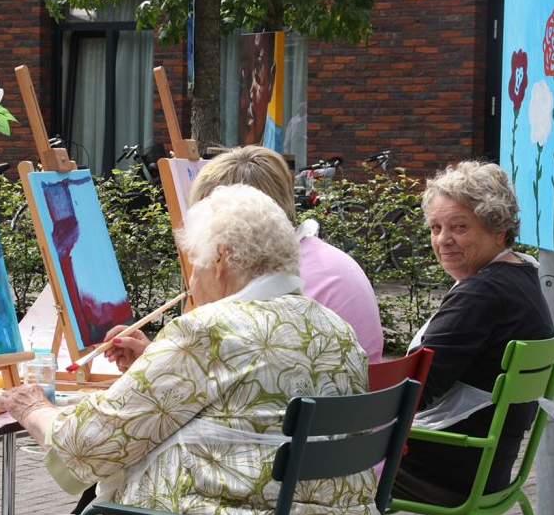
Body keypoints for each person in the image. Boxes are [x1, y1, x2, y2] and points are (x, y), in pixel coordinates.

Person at [0, 184, 380, 515]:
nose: (191, 283)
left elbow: (94, 443)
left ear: (222, 258)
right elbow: (243, 407)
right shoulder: (335, 330)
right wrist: (152, 361)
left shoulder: (211, 328)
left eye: (194, 265)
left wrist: (35, 409)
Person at [118, 145, 381, 364]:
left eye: (210, 216)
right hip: (350, 416)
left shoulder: (282, 282)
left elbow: (228, 373)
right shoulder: (319, 259)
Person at [391, 160, 554, 507]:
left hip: (443, 469)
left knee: (298, 467)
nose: (443, 240)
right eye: (435, 227)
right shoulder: (522, 276)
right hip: (485, 466)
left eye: (459, 227)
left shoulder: (483, 294)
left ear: (499, 231)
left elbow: (415, 389)